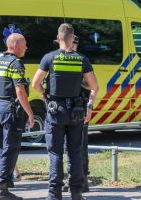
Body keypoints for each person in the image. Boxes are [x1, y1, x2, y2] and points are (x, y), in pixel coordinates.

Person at [32, 24, 98, 200]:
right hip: (76, 112)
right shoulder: (81, 59)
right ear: (72, 38)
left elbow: (35, 84)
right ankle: (76, 192)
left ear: (58, 37)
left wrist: (45, 94)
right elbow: (94, 86)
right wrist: (89, 106)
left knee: (55, 153)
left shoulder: (49, 58)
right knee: (75, 152)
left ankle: (54, 194)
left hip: (55, 111)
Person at [0, 33, 35, 200]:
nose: (26, 47)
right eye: (24, 44)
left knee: (0, 147)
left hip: (0, 107)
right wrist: (30, 113)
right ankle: (2, 190)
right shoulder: (16, 64)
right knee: (11, 149)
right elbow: (20, 91)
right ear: (15, 45)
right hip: (11, 110)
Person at [62, 35, 90, 193]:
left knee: (80, 146)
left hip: (79, 108)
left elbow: (91, 84)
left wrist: (76, 80)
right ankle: (70, 177)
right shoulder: (62, 59)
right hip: (64, 108)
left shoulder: (81, 60)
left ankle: (83, 179)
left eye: (71, 43)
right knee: (67, 147)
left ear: (76, 44)